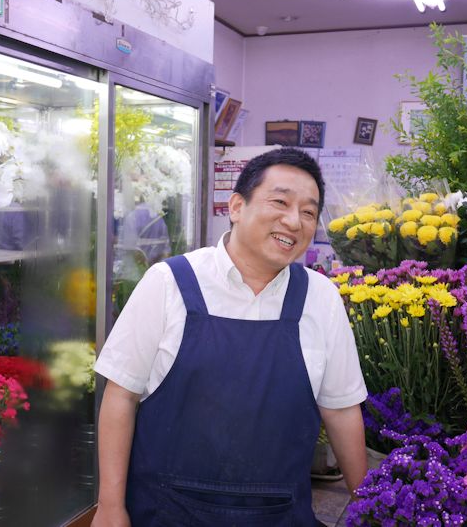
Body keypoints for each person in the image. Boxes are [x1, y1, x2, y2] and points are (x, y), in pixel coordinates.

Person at [93, 148, 368, 527]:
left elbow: (341, 410)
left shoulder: (321, 298)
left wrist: (371, 507)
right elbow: (120, 395)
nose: (294, 221)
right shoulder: (169, 282)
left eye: (308, 212)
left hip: (279, 516)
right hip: (164, 514)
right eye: (280, 202)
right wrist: (110, 506)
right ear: (237, 206)